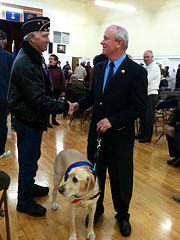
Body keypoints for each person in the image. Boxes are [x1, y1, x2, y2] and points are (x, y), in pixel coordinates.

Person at [71, 24, 147, 237]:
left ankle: (123, 215)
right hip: (96, 136)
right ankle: (97, 209)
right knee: (95, 176)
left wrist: (112, 120)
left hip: (120, 137)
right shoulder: (101, 67)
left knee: (121, 179)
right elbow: (94, 96)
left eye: (106, 38)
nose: (102, 42)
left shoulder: (136, 72)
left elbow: (138, 107)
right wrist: (80, 105)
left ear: (119, 43)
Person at [8, 17, 73, 217]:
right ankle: (24, 202)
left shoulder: (34, 55)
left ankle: (30, 188)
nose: (48, 40)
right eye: (44, 36)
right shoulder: (27, 62)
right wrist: (65, 106)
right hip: (28, 120)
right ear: (32, 38)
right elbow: (38, 100)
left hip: (32, 119)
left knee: (32, 158)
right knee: (28, 161)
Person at [136, 50, 161, 143]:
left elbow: (147, 80)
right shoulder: (146, 66)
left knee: (148, 117)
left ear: (152, 57)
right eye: (144, 57)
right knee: (142, 115)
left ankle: (147, 136)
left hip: (151, 94)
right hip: (145, 94)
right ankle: (142, 133)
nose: (145, 58)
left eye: (147, 57)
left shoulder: (154, 67)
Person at [0, 30, 14, 159]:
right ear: (5, 42)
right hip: (2, 96)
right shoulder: (9, 57)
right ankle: (0, 151)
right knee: (1, 124)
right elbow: (13, 78)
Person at [48, 54, 65, 126]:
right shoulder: (46, 69)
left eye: (52, 59)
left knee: (54, 105)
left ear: (56, 61)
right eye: (49, 59)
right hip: (48, 90)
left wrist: (63, 91)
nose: (50, 60)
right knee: (47, 105)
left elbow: (63, 81)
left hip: (57, 90)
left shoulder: (60, 71)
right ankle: (47, 121)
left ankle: (54, 120)